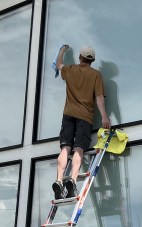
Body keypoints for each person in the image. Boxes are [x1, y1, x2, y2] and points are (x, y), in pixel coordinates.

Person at [52, 44, 111, 199]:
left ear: (80, 57)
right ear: (92, 60)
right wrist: (104, 116)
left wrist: (62, 50)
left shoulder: (70, 70)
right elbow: (99, 98)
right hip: (85, 117)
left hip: (68, 114)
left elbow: (59, 65)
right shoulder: (96, 75)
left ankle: (58, 181)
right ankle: (72, 180)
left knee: (65, 148)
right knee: (78, 149)